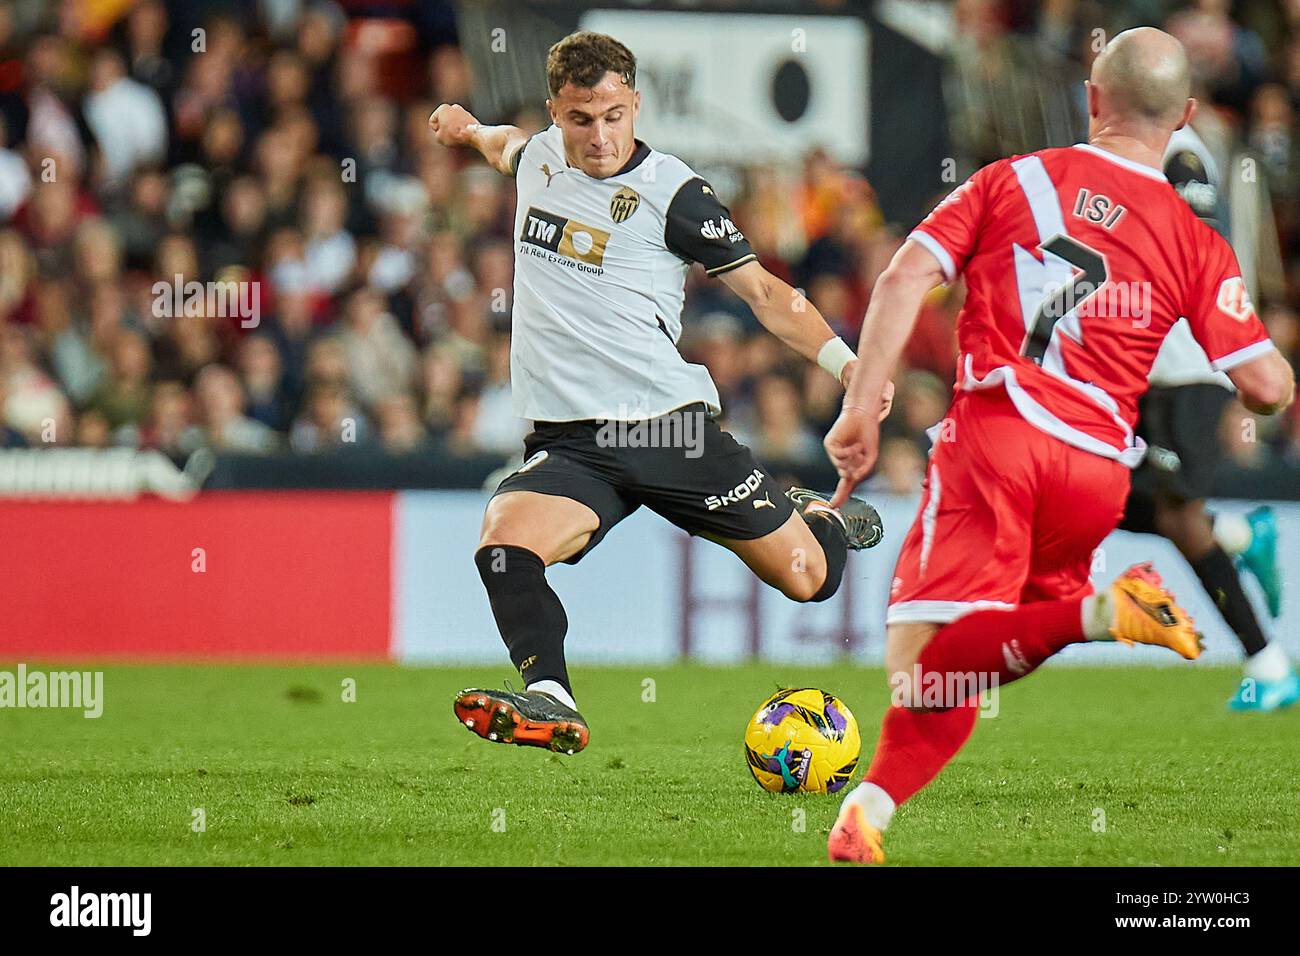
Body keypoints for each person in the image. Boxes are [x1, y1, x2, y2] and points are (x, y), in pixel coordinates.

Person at [821, 27, 1296, 864]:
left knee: (917, 668)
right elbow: (1263, 386)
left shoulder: (1014, 180)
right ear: (1184, 115)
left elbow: (902, 277)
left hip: (998, 439)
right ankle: (871, 809)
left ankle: (1100, 613)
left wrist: (862, 406)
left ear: (1091, 97)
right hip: (1097, 474)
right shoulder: (1195, 240)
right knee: (982, 651)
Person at [429, 32, 889, 755]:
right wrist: (463, 129)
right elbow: (504, 145)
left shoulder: (674, 194)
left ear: (636, 104)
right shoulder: (539, 160)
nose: (601, 136)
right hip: (575, 442)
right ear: (558, 112)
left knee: (808, 579)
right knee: (503, 544)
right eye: (581, 119)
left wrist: (849, 367)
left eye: (615, 115)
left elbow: (766, 293)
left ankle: (821, 520)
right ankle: (551, 698)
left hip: (666, 430)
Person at [1118, 124, 1295, 711]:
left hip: (1189, 367)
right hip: (1153, 373)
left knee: (1180, 520)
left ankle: (1269, 666)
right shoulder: (1135, 151)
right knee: (1115, 499)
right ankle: (1243, 534)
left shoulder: (1177, 149)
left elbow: (1192, 237)